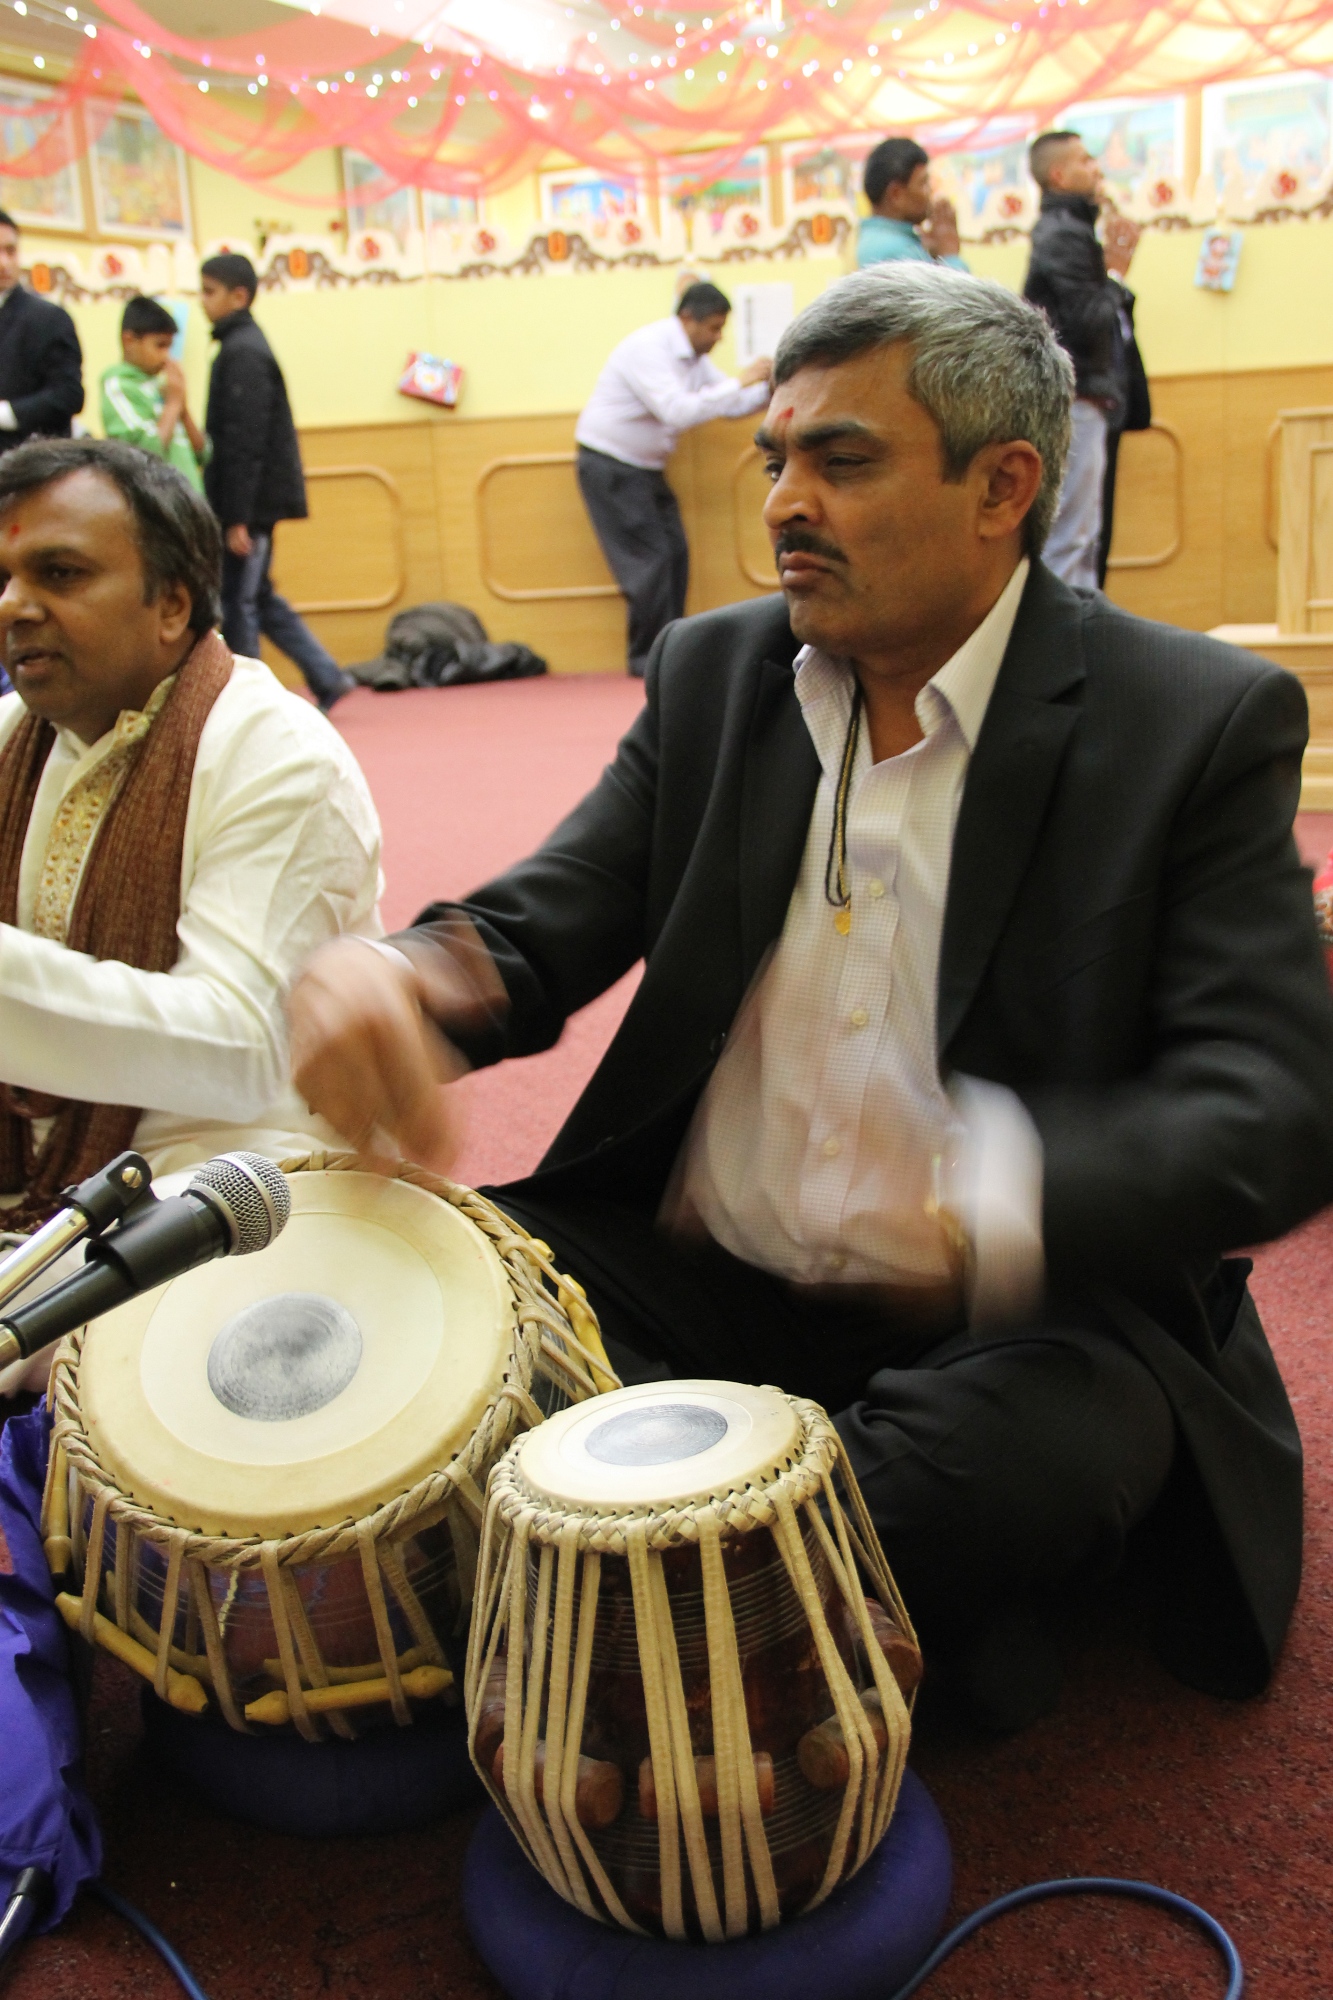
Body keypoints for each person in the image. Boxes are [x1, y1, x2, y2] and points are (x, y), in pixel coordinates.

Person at [287, 265, 1333, 1734]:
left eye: (842, 460)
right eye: (775, 456)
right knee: (420, 1301)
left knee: (1042, 1453)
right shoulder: (720, 669)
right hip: (697, 1262)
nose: (784, 500)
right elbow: (552, 913)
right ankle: (798, 1606)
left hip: (996, 1320)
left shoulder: (1187, 721)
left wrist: (993, 1195)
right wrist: (402, 977)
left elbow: (1276, 1104)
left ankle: (629, 1584)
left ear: (1003, 486)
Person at [0, 436, 382, 1247]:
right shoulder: (10, 738)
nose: (13, 605)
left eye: (59, 574)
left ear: (172, 604)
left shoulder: (275, 754)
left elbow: (235, 1049)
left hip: (227, 1178)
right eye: (4, 579)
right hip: (34, 1176)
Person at [575, 281, 772, 677]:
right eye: (714, 328)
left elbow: (729, 402)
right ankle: (646, 660)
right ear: (687, 318)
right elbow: (677, 412)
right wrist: (743, 380)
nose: (719, 338)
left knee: (675, 555)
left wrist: (771, 388)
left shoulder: (693, 359)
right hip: (611, 466)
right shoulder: (648, 348)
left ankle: (666, 653)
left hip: (643, 469)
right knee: (651, 562)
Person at [199, 252, 353, 713]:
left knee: (239, 601)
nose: (203, 301)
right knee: (258, 596)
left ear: (238, 295)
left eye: (209, 291)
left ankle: (249, 707)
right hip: (253, 503)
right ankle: (327, 674)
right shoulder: (241, 345)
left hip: (250, 506)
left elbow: (246, 443)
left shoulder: (243, 351)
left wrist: (238, 517)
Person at [1023, 130, 1137, 591]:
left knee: (1083, 534)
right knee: (1072, 535)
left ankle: (1082, 639)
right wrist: (1116, 271)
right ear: (1058, 174)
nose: (1097, 169)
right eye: (1086, 160)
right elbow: (1088, 321)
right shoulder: (1064, 236)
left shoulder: (1071, 230)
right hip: (1075, 395)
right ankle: (1066, 645)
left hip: (1084, 395)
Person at [0, 209, 83, 465]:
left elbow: (69, 395)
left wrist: (6, 413)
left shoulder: (48, 318)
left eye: (11, 251)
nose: (4, 263)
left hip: (31, 472)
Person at [100, 294, 206, 493]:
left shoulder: (163, 388)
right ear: (129, 340)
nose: (167, 356)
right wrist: (173, 405)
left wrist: (183, 409)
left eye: (170, 346)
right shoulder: (118, 386)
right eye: (160, 345)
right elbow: (144, 454)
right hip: (159, 508)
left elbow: (203, 454)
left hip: (190, 504)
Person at [857, 137, 966, 271]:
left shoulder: (871, 239)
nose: (930, 191)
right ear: (896, 194)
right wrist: (949, 254)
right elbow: (952, 292)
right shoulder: (899, 252)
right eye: (923, 183)